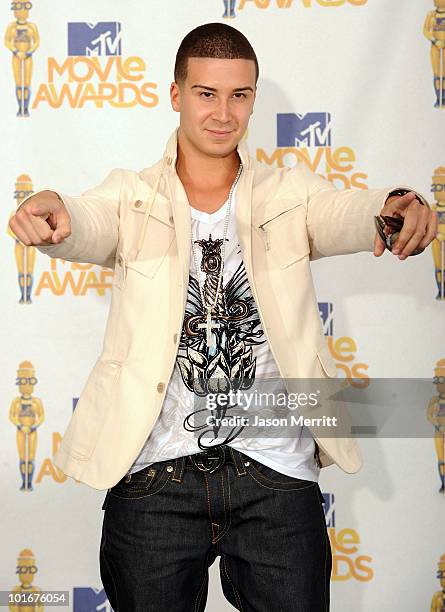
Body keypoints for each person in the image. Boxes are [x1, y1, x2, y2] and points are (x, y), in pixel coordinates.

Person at [9, 21, 437, 612]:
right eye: (207, 93)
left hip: (276, 472)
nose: (223, 112)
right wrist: (54, 211)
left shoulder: (290, 194)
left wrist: (392, 207)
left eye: (239, 94)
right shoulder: (133, 195)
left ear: (254, 99)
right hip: (155, 473)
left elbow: (347, 211)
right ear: (176, 94)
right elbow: (87, 219)